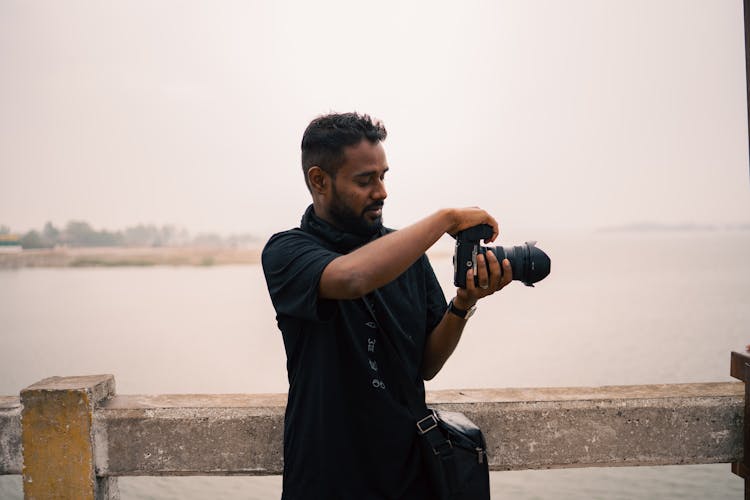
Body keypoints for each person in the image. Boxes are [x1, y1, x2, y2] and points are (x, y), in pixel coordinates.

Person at [262, 112, 512, 500]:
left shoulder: (408, 253)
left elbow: (426, 364)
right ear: (319, 180)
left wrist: (463, 304)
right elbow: (350, 278)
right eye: (365, 180)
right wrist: (445, 218)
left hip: (410, 474)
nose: (381, 191)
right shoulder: (288, 252)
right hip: (326, 478)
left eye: (383, 176)